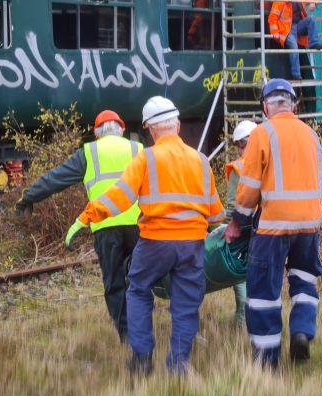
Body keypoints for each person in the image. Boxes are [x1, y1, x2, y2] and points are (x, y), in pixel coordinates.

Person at [66, 96, 225, 376]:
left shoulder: (146, 158)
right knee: (186, 303)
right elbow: (216, 214)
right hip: (191, 245)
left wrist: (86, 217)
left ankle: (142, 359)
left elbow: (119, 199)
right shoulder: (200, 160)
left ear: (151, 130)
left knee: (138, 290)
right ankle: (178, 365)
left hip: (155, 243)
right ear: (176, 125)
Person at [223, 79, 322, 367]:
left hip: (273, 227)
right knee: (304, 281)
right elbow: (319, 181)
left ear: (265, 107)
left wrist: (236, 223)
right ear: (293, 104)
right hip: (309, 224)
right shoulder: (311, 135)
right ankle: (303, 331)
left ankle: (267, 360)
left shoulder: (262, 134)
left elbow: (249, 188)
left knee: (264, 293)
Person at [16, 110, 142, 343]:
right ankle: (142, 329)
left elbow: (57, 178)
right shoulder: (137, 149)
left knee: (114, 284)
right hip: (138, 226)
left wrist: (29, 196)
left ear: (96, 133)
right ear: (122, 129)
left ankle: (127, 337)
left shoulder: (90, 153)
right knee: (139, 281)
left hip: (106, 227)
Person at [224, 120, 257, 324]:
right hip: (267, 225)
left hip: (243, 226)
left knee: (238, 271)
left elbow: (231, 204)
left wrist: (224, 228)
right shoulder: (269, 160)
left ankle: (242, 317)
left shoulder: (239, 166)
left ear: (239, 144)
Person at [268, 0, 322, 81]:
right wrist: (275, 32)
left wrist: (313, 2)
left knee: (311, 19)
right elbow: (272, 17)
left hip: (298, 27)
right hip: (286, 30)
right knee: (294, 47)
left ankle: (313, 44)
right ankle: (296, 74)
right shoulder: (280, 0)